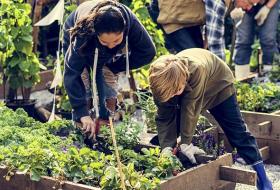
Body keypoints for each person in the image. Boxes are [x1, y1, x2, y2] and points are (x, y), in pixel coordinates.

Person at [149, 48, 272, 190]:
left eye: (176, 92)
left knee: (237, 132)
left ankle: (263, 180)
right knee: (168, 135)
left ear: (182, 78)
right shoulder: (161, 82)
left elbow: (191, 108)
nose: (172, 96)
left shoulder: (196, 69)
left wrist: (185, 143)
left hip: (219, 86)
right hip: (185, 88)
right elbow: (164, 117)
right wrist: (167, 148)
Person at [63, 0, 156, 138]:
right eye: (105, 42)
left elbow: (148, 52)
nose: (112, 46)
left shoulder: (130, 23)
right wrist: (81, 112)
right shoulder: (83, 32)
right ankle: (82, 135)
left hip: (105, 56)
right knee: (84, 83)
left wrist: (115, 66)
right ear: (96, 32)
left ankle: (105, 132)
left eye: (117, 41)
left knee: (108, 82)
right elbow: (71, 73)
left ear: (124, 30)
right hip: (81, 40)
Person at [233, 0, 279, 79]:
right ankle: (241, 78)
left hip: (269, 2)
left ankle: (271, 78)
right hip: (244, 3)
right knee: (243, 40)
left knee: (268, 39)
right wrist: (235, 5)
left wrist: (267, 7)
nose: (250, 7)